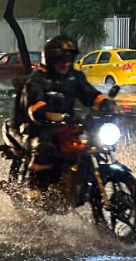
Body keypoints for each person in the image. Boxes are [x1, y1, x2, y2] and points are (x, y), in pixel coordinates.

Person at [15, 36, 117, 193]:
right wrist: (49, 114)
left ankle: (79, 181)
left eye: (68, 58)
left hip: (66, 124)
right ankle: (35, 189)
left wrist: (106, 104)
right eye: (60, 59)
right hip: (35, 127)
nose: (65, 62)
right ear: (50, 59)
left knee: (93, 142)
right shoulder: (38, 80)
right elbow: (35, 106)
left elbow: (89, 94)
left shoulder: (74, 77)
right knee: (44, 147)